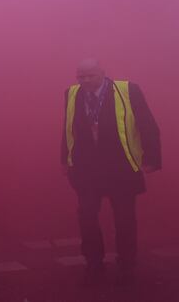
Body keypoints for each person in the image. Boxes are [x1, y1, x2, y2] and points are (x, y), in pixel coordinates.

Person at [61, 59, 161, 286]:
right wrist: (64, 160)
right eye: (81, 76)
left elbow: (147, 123)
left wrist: (152, 158)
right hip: (87, 169)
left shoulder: (128, 90)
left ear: (103, 74)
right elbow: (67, 127)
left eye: (90, 76)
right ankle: (93, 262)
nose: (85, 80)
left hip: (121, 168)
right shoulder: (71, 93)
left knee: (124, 219)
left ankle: (127, 264)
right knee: (86, 216)